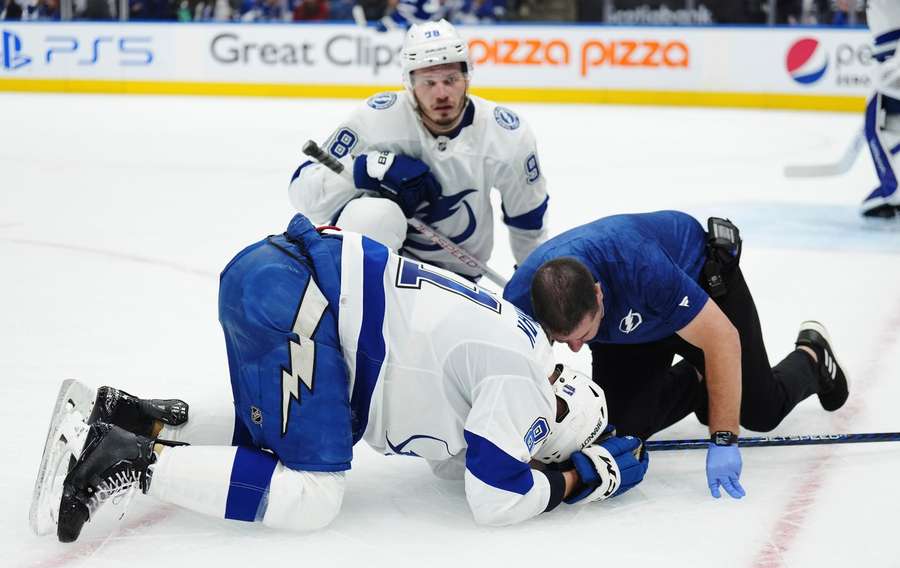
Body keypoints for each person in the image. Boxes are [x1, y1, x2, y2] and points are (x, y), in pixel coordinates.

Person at [32, 213, 648, 543]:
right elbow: (494, 500)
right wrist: (580, 477)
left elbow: (454, 467)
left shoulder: (518, 347)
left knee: (281, 438)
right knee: (311, 496)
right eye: (557, 429)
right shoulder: (526, 383)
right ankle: (125, 458)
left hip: (281, 274)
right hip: (303, 297)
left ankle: (133, 414)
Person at [502, 211, 849, 500]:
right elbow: (513, 372)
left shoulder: (639, 265)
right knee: (617, 435)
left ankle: (811, 357)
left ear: (598, 293)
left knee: (760, 411)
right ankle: (701, 381)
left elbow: (722, 339)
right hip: (629, 331)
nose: (575, 349)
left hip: (696, 289)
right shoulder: (521, 298)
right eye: (565, 341)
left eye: (582, 337)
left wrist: (723, 439)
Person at [288, 19, 549, 281]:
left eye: (451, 79)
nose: (441, 93)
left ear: (467, 77)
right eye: (428, 82)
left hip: (461, 277)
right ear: (409, 84)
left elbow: (528, 224)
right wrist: (362, 169)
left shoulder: (506, 134)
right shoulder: (377, 118)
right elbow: (305, 196)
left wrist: (532, 286)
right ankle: (357, 303)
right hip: (387, 269)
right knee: (370, 216)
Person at [861, 0, 900, 219]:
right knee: (892, 128)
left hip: (894, 62)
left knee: (874, 122)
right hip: (889, 58)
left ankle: (891, 190)